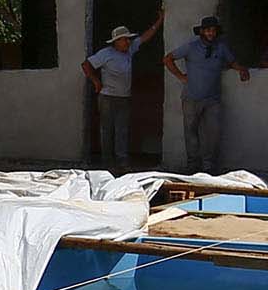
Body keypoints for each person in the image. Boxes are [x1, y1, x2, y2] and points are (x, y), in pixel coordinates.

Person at [163, 14, 250, 172]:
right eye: (208, 30)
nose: (211, 33)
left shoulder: (221, 47)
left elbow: (232, 61)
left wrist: (241, 69)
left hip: (213, 99)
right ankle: (192, 165)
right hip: (191, 97)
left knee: (213, 133)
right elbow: (168, 59)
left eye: (213, 30)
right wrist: (181, 76)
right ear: (202, 31)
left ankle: (208, 166)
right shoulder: (191, 46)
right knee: (191, 132)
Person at [82, 15, 161, 165]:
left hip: (124, 97)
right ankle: (107, 160)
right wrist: (96, 82)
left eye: (128, 39)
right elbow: (86, 65)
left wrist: (159, 21)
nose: (128, 42)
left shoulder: (129, 50)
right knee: (107, 129)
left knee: (122, 130)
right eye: (125, 39)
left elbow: (145, 37)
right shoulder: (106, 53)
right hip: (108, 97)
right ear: (116, 41)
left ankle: (121, 160)